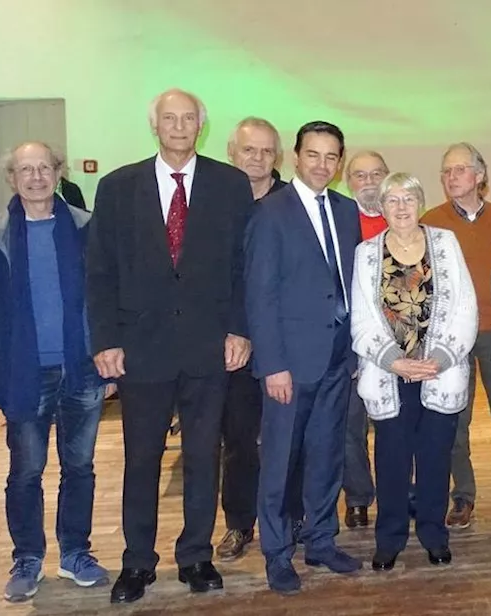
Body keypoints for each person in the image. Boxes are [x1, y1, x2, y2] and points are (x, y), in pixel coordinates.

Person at [88, 89, 253, 604]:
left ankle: (196, 556)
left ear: (201, 127)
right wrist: (105, 340)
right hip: (142, 349)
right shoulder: (117, 187)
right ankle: (137, 562)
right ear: (154, 126)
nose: (179, 126)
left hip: (208, 347)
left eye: (188, 118)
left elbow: (243, 268)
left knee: (204, 456)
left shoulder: (230, 186)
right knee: (142, 459)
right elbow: (100, 271)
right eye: (169, 118)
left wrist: (241, 329)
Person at [0, 142, 111, 602]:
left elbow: (109, 300)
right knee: (26, 472)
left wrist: (110, 359)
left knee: (80, 468)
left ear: (58, 173)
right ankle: (27, 558)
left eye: (45, 168)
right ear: (12, 178)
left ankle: (75, 553)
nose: (37, 177)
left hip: (82, 371)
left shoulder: (88, 231)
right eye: (26, 169)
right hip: (24, 376)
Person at [246, 121, 364, 594]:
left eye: (331, 156)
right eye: (313, 154)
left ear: (340, 162)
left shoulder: (347, 209)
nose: (322, 164)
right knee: (279, 462)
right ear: (295, 157)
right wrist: (272, 364)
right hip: (289, 365)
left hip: (338, 357)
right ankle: (277, 554)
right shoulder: (270, 213)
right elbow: (260, 295)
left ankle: (320, 539)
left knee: (326, 455)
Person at [352, 172, 478, 571]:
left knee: (435, 459)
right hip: (390, 374)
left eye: (409, 199)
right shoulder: (366, 253)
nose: (402, 207)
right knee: (390, 460)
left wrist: (440, 358)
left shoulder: (445, 242)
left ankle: (433, 534)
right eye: (393, 200)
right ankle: (389, 538)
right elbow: (363, 318)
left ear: (421, 203)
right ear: (382, 207)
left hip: (439, 371)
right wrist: (393, 360)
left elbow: (465, 306)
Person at [421, 142, 491, 529]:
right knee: (454, 419)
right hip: (450, 340)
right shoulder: (430, 221)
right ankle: (462, 495)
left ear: (480, 175)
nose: (451, 177)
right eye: (446, 171)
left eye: (459, 170)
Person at [216, 116, 292, 562]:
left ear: (277, 158)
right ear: (232, 151)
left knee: (288, 435)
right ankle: (239, 524)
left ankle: (289, 517)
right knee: (240, 439)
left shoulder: (291, 203)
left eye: (266, 151)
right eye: (249, 150)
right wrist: (234, 328)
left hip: (284, 340)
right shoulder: (214, 200)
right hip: (232, 341)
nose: (258, 158)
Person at [338, 148, 392, 530]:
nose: (369, 182)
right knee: (349, 428)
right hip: (351, 341)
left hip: (400, 343)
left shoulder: (405, 218)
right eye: (360, 175)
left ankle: (398, 493)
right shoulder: (339, 221)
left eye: (376, 174)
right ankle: (358, 497)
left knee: (396, 424)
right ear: (348, 180)